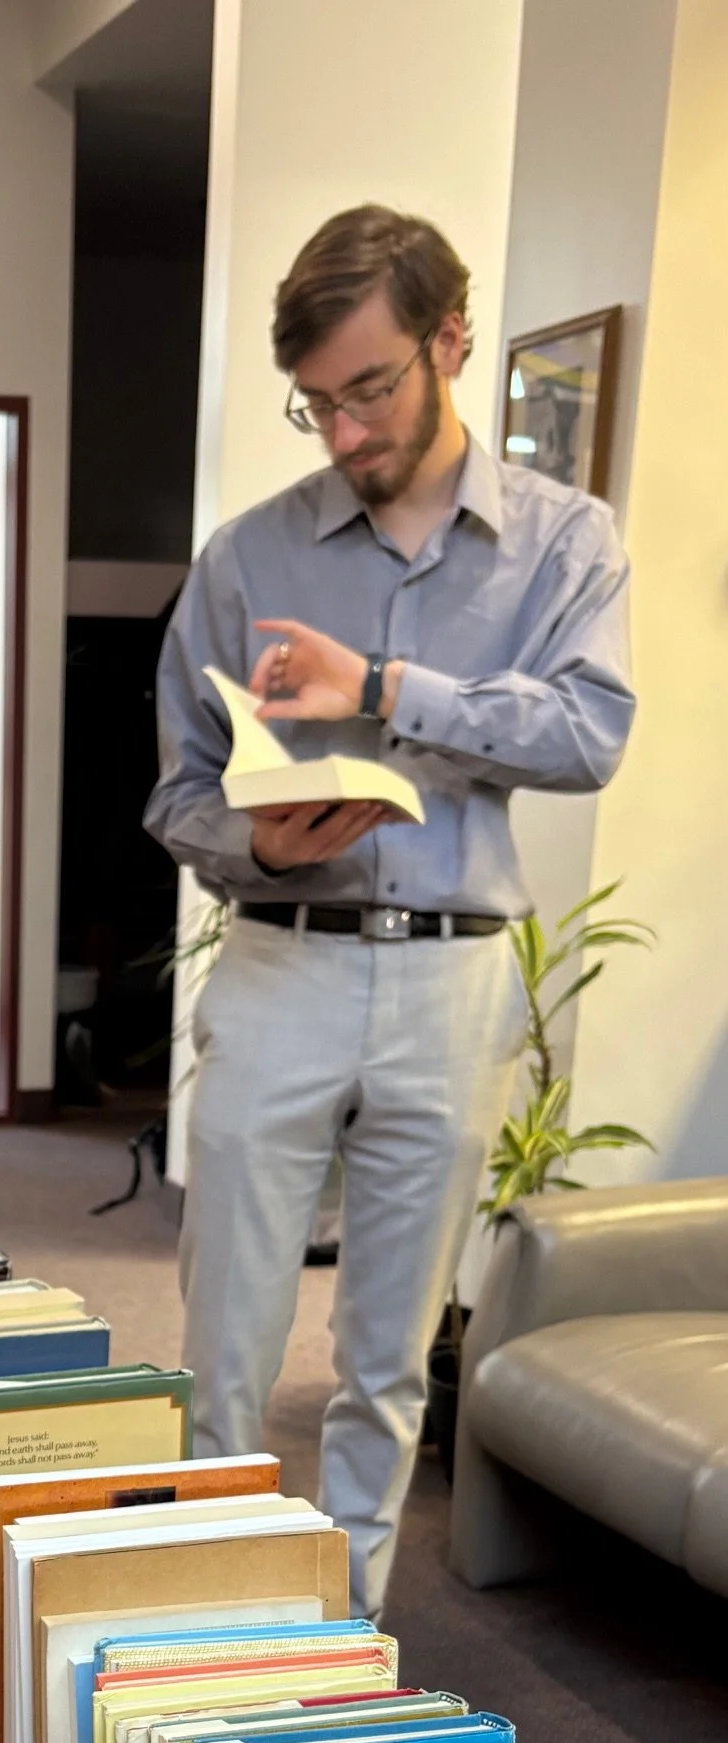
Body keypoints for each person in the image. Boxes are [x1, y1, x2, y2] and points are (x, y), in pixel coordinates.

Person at [145, 204, 635, 1615]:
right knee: (222, 1344)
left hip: (451, 982)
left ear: (449, 343)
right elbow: (176, 794)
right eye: (317, 406)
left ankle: (337, 1640)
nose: (347, 433)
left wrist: (380, 690)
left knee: (383, 1358)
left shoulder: (562, 544)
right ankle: (199, 1637)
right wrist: (263, 840)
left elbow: (586, 735)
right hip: (277, 958)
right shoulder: (246, 557)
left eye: (370, 390)